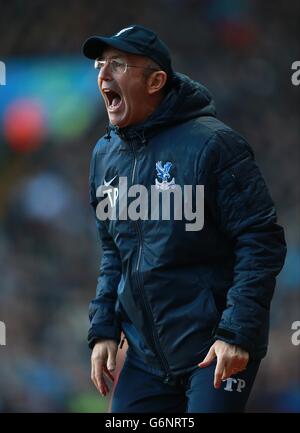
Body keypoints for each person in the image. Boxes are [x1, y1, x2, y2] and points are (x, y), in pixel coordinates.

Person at [82, 25, 287, 413]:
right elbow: (113, 250)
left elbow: (260, 240)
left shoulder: (214, 145)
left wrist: (236, 333)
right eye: (100, 65)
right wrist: (103, 328)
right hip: (145, 356)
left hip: (214, 347)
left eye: (118, 65)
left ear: (156, 80)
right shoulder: (103, 155)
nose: (103, 76)